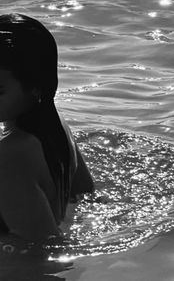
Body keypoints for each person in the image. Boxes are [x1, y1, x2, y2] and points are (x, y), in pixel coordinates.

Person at [0, 13, 94, 243]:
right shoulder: (57, 125)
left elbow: (38, 249)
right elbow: (85, 193)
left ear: (35, 89)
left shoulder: (10, 154)